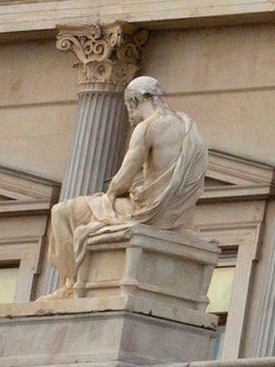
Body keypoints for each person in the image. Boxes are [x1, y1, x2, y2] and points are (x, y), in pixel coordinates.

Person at [44, 75, 204, 283]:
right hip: (179, 216)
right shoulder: (187, 126)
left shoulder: (147, 127)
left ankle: (71, 283)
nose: (130, 115)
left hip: (148, 213)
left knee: (63, 212)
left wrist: (109, 197)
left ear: (133, 102)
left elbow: (123, 180)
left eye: (129, 108)